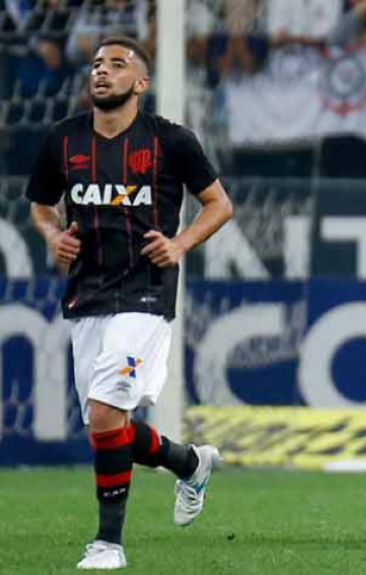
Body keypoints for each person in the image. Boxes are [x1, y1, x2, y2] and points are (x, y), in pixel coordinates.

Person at [26, 36, 233, 569]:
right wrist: (53, 238)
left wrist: (181, 243)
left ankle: (108, 544)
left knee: (104, 411)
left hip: (145, 291)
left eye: (118, 65)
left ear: (141, 82)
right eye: (97, 64)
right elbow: (41, 207)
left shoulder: (170, 140)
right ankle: (189, 463)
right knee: (105, 425)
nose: (103, 72)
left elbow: (219, 204)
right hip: (88, 291)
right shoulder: (63, 140)